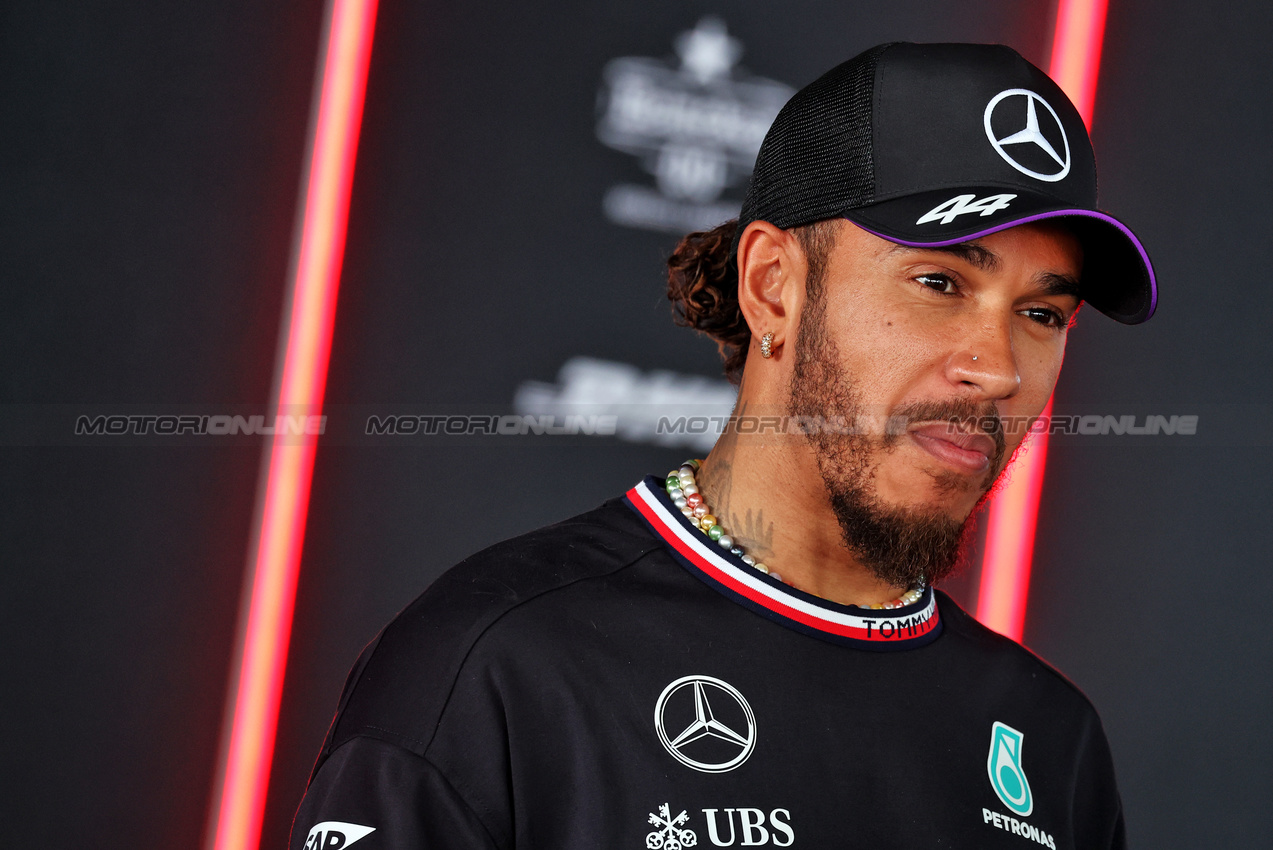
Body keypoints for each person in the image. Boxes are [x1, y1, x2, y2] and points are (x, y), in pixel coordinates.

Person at [291, 42, 1154, 850]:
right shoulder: (498, 661)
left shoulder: (1051, 742)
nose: (996, 369)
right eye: (938, 281)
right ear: (772, 286)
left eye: (1041, 314)